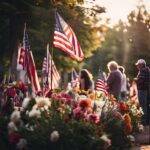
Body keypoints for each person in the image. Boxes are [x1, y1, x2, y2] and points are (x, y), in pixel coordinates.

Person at [135, 59, 150, 125]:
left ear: (141, 65)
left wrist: (136, 80)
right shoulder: (147, 70)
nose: (137, 66)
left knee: (142, 105)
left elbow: (141, 81)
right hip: (146, 89)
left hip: (142, 90)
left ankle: (143, 121)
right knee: (146, 105)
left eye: (138, 65)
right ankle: (147, 121)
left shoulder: (142, 71)